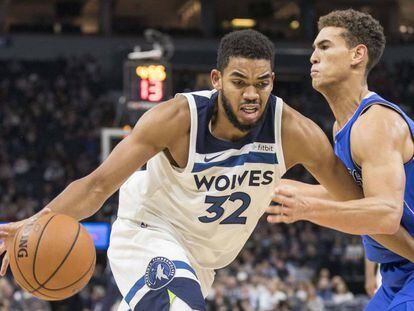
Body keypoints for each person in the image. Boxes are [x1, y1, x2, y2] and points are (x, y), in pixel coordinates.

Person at [0, 29, 412, 311]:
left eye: (263, 82)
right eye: (239, 81)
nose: (252, 94)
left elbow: (363, 209)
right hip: (150, 231)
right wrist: (37, 221)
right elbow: (97, 186)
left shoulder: (294, 131)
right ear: (217, 79)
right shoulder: (176, 118)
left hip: (204, 262)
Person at [267, 9, 414, 310]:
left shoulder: (376, 123)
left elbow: (385, 214)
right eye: (313, 49)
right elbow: (352, 195)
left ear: (357, 55)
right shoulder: (342, 127)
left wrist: (308, 208)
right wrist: (270, 185)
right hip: (398, 269)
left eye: (324, 47)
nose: (312, 57)